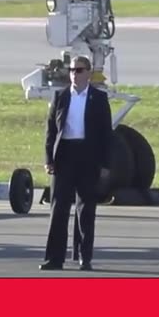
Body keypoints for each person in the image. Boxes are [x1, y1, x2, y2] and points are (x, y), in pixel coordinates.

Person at [40, 55, 113, 271]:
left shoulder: (98, 99)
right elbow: (51, 130)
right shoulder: (61, 97)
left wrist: (105, 163)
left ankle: (84, 256)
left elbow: (105, 134)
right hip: (65, 155)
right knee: (59, 208)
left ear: (89, 73)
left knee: (85, 208)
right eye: (71, 70)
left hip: (88, 155)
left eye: (79, 70)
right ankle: (54, 257)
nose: (74, 74)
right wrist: (48, 159)